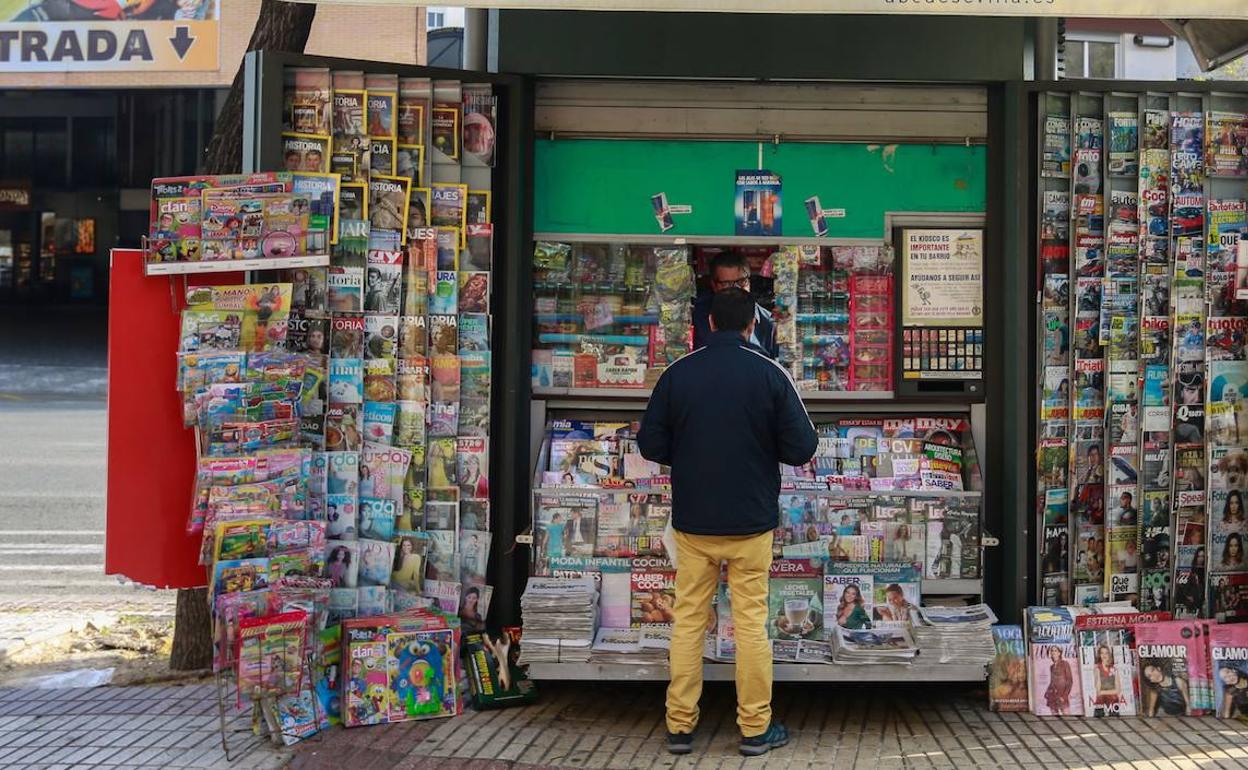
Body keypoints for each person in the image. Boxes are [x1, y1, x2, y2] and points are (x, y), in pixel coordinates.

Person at [637, 288, 817, 757]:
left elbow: (650, 444)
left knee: (688, 621)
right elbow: (803, 447)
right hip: (751, 523)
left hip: (693, 523)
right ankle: (755, 728)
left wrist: (689, 450)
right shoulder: (770, 372)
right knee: (751, 624)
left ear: (710, 323)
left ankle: (679, 726)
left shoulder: (678, 373)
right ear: (752, 326)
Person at [690, 252, 780, 358]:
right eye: (727, 284)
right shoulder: (697, 318)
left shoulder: (769, 322)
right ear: (714, 285)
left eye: (741, 281)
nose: (735, 289)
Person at [1044, 646, 1074, 715]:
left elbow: (1070, 681)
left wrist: (1064, 696)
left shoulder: (1065, 664)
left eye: (1055, 651)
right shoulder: (1051, 667)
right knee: (1054, 716)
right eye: (1052, 651)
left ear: (1059, 653)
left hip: (1062, 695)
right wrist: (1047, 692)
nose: (1053, 652)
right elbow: (1052, 681)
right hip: (1052, 696)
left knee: (1067, 716)